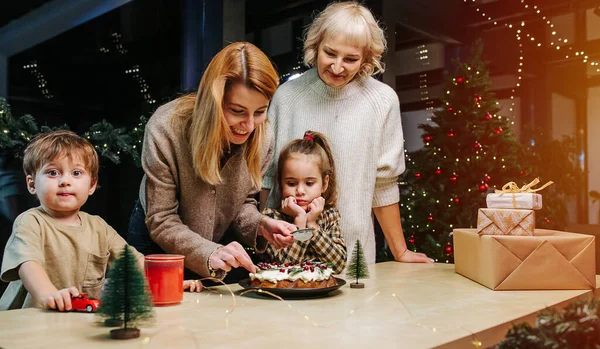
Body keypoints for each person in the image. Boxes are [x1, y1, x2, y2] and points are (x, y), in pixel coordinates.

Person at [262, 2, 432, 265]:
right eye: (330, 53)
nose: (338, 67)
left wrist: (400, 251)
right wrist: (262, 242)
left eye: (351, 59)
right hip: (287, 260)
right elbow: (267, 179)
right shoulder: (287, 98)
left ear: (366, 58)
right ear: (315, 45)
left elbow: (384, 184)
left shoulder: (382, 101)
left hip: (354, 260)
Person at [127, 42, 296, 282]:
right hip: (154, 242)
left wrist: (261, 225)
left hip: (212, 245)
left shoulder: (262, 135)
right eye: (237, 111)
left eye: (259, 112)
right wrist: (208, 251)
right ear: (213, 102)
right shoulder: (165, 128)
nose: (249, 126)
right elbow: (161, 219)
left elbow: (242, 202)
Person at [0, 130, 201, 311]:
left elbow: (133, 262)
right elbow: (28, 265)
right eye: (53, 172)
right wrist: (48, 294)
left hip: (75, 318)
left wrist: (168, 283)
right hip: (29, 321)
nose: (65, 181)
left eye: (76, 173)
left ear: (92, 185)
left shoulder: (98, 227)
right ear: (32, 184)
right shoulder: (30, 222)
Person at [261, 131, 346, 273]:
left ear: (324, 184)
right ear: (281, 184)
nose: (300, 191)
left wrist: (312, 226)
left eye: (309, 183)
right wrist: (300, 222)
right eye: (292, 183)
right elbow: (284, 267)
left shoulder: (330, 217)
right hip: (285, 294)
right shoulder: (271, 219)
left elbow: (339, 265)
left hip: (322, 292)